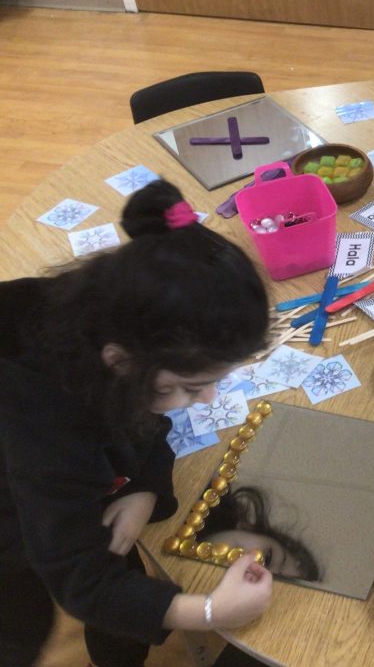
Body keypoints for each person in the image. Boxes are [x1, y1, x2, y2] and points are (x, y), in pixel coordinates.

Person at [0, 180, 274, 667]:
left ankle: (118, 653)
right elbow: (77, 575)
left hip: (57, 467)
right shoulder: (48, 424)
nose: (208, 398)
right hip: (15, 499)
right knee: (22, 618)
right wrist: (210, 611)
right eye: (191, 386)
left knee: (115, 549)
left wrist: (145, 488)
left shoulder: (115, 316)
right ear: (122, 363)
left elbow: (142, 420)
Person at [197, 486, 323, 583]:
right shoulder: (207, 485)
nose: (254, 570)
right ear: (248, 528)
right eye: (267, 558)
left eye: (258, 584)